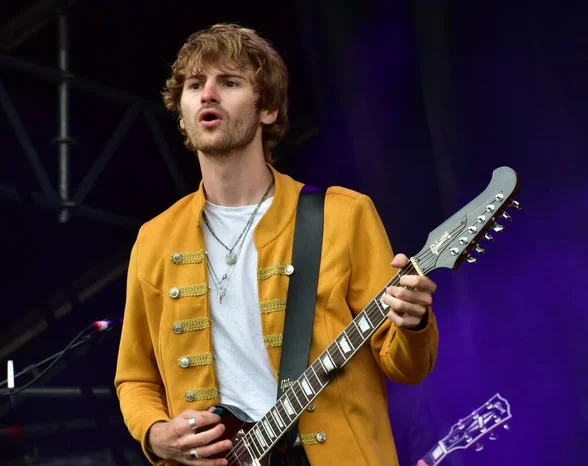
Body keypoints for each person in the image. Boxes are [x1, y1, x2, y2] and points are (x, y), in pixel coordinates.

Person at [114, 23, 439, 466]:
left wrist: (413, 321)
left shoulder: (343, 214)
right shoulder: (155, 239)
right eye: (195, 85)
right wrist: (155, 435)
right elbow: (134, 377)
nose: (208, 94)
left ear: (267, 108)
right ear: (183, 110)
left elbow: (406, 366)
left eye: (229, 82)